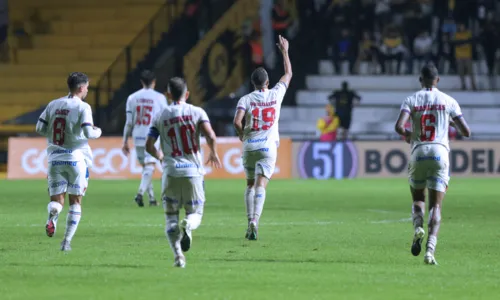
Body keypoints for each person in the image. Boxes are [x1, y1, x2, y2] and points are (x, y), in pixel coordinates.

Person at [394, 64, 471, 265]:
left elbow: (399, 127)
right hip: (439, 152)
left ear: (421, 80)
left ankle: (418, 227)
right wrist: (449, 122)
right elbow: (466, 132)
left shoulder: (411, 99)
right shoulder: (448, 100)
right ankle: (430, 251)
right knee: (436, 205)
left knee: (418, 199)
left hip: (418, 151)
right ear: (437, 80)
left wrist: (409, 135)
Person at [145, 77, 221, 268]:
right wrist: (213, 152)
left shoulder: (160, 115)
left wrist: (161, 156)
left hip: (170, 172)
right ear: (187, 94)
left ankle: (178, 256)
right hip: (193, 172)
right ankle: (188, 224)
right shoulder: (197, 112)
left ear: (168, 95)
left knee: (170, 217)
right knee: (195, 213)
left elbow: (148, 145)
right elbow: (210, 135)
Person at [233, 35, 292, 240]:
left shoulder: (246, 99)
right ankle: (256, 221)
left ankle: (249, 220)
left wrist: (242, 136)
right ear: (267, 82)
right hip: (268, 147)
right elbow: (288, 74)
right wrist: (284, 51)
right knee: (261, 185)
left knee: (249, 184)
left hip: (250, 146)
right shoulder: (276, 94)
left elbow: (237, 122)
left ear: (252, 83)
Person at [35, 72, 102, 251]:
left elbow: (39, 128)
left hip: (55, 159)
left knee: (57, 200)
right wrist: (98, 131)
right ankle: (66, 242)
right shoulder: (83, 107)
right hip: (76, 158)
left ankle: (53, 215)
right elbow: (88, 133)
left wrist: (54, 134)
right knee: (75, 202)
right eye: (87, 87)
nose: (87, 90)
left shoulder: (53, 104)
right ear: (81, 88)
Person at [122, 70, 168, 207]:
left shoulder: (132, 97)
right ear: (154, 82)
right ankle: (140, 194)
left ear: (141, 82)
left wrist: (124, 140)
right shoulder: (160, 98)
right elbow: (165, 118)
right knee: (150, 166)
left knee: (146, 168)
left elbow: (129, 122)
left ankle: (152, 199)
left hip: (137, 135)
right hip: (152, 136)